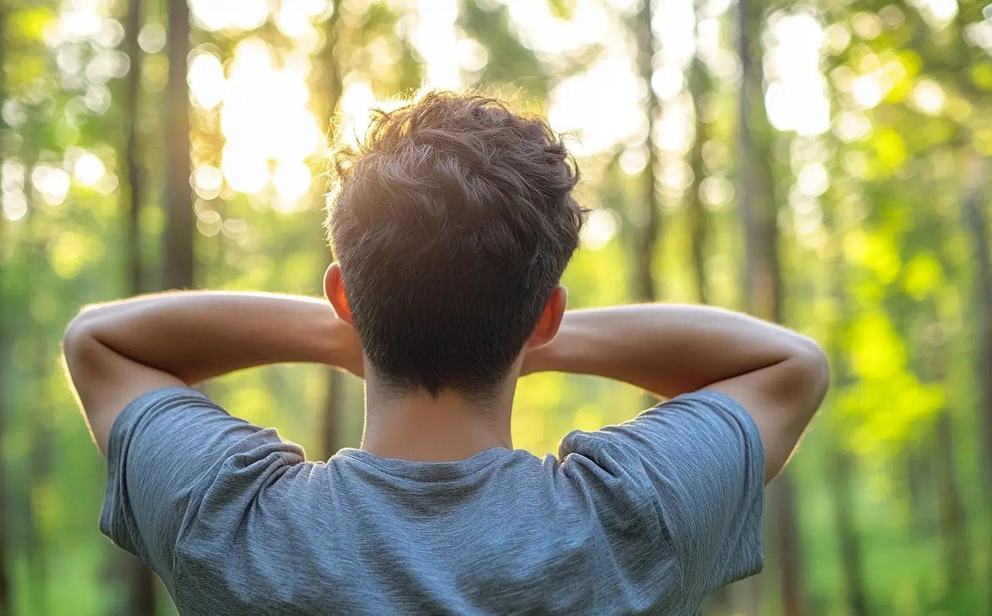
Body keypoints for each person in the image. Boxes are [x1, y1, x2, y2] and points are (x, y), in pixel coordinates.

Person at [63, 92, 828, 615]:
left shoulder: (235, 525)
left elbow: (100, 341)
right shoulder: (626, 520)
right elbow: (788, 365)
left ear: (342, 298)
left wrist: (361, 326)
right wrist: (516, 326)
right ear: (547, 316)